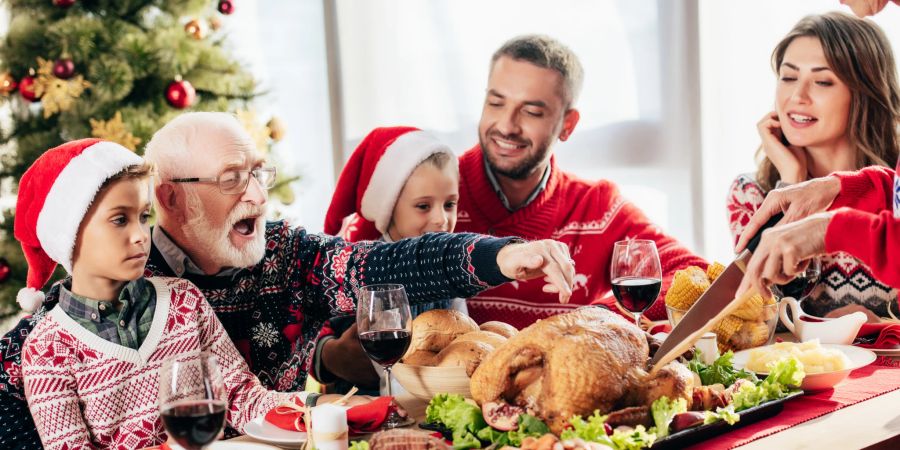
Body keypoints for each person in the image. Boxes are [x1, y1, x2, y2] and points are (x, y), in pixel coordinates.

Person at [0, 112, 577, 449]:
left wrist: (496, 257)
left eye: (257, 173)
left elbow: (378, 267)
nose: (257, 195)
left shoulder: (274, 251)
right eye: (233, 179)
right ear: (170, 199)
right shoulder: (107, 281)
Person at [15, 139, 309, 449]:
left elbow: (240, 396)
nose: (141, 236)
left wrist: (313, 407)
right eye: (119, 220)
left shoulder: (184, 301)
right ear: (70, 233)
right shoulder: (47, 349)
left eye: (143, 217)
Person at [452, 35, 707, 328]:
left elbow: (695, 273)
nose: (507, 125)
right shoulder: (431, 198)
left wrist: (589, 322)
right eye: (496, 103)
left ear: (567, 125)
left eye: (532, 112)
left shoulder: (598, 207)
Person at [727, 12, 900, 320]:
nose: (797, 96)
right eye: (788, 77)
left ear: (864, 93)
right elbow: (758, 319)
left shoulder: (892, 190)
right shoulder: (751, 194)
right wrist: (792, 183)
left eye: (822, 81)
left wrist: (879, 329)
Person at [323, 125, 467, 394]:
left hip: (430, 397)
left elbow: (464, 333)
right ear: (389, 210)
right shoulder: (369, 270)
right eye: (423, 206)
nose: (441, 219)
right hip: (369, 402)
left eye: (450, 204)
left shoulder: (451, 267)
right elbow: (382, 366)